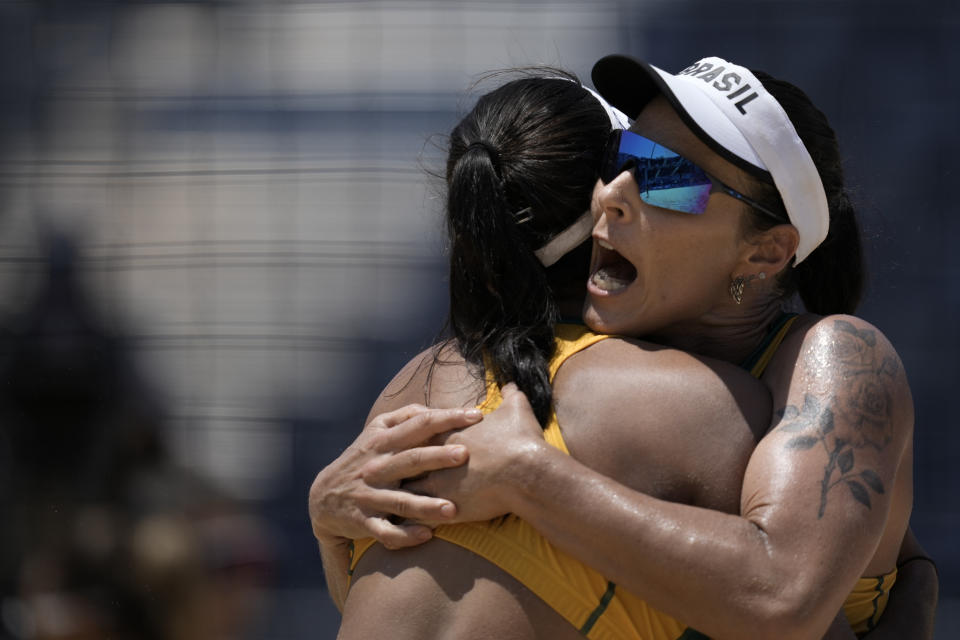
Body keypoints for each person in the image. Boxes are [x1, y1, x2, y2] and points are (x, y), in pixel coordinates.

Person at [310, 62, 937, 639]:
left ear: (766, 252)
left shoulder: (835, 356)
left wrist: (528, 474)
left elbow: (784, 600)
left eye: (668, 177)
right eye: (622, 154)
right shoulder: (626, 383)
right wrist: (328, 518)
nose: (610, 192)